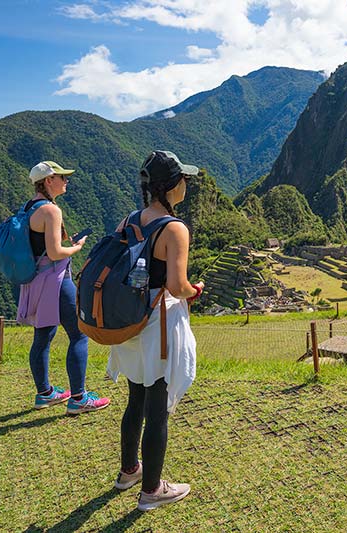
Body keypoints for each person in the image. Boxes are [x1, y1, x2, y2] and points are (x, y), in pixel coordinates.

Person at [106, 151, 204, 512]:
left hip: (128, 322)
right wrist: (196, 289)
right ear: (171, 186)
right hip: (157, 326)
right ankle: (151, 491)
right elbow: (177, 286)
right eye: (184, 180)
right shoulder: (174, 228)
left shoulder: (129, 220)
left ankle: (129, 470)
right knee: (158, 408)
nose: (187, 185)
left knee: (135, 398)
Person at [17, 161, 110, 415]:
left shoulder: (29, 208)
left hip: (34, 280)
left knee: (43, 336)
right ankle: (79, 398)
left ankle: (45, 393)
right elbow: (56, 253)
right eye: (62, 177)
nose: (66, 181)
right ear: (49, 181)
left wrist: (65, 242)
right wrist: (77, 247)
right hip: (55, 280)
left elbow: (43, 245)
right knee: (79, 334)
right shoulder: (51, 210)